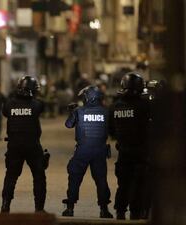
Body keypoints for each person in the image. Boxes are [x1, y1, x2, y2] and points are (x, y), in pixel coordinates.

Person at [62, 86, 113, 218]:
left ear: (89, 98)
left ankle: (70, 208)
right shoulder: (106, 112)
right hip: (100, 151)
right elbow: (112, 130)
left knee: (75, 178)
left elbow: (68, 125)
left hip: (82, 151)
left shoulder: (79, 111)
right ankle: (104, 210)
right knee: (101, 180)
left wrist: (72, 112)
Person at [1, 76, 47, 213]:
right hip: (32, 146)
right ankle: (39, 209)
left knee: (11, 177)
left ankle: (5, 206)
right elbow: (41, 104)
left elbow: (5, 112)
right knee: (39, 177)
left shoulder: (9, 104)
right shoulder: (37, 105)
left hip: (14, 146)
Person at [109, 72, 150, 220]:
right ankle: (135, 213)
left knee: (123, 184)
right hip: (141, 153)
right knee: (139, 185)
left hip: (124, 152)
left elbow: (111, 131)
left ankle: (120, 212)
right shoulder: (145, 106)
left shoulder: (114, 107)